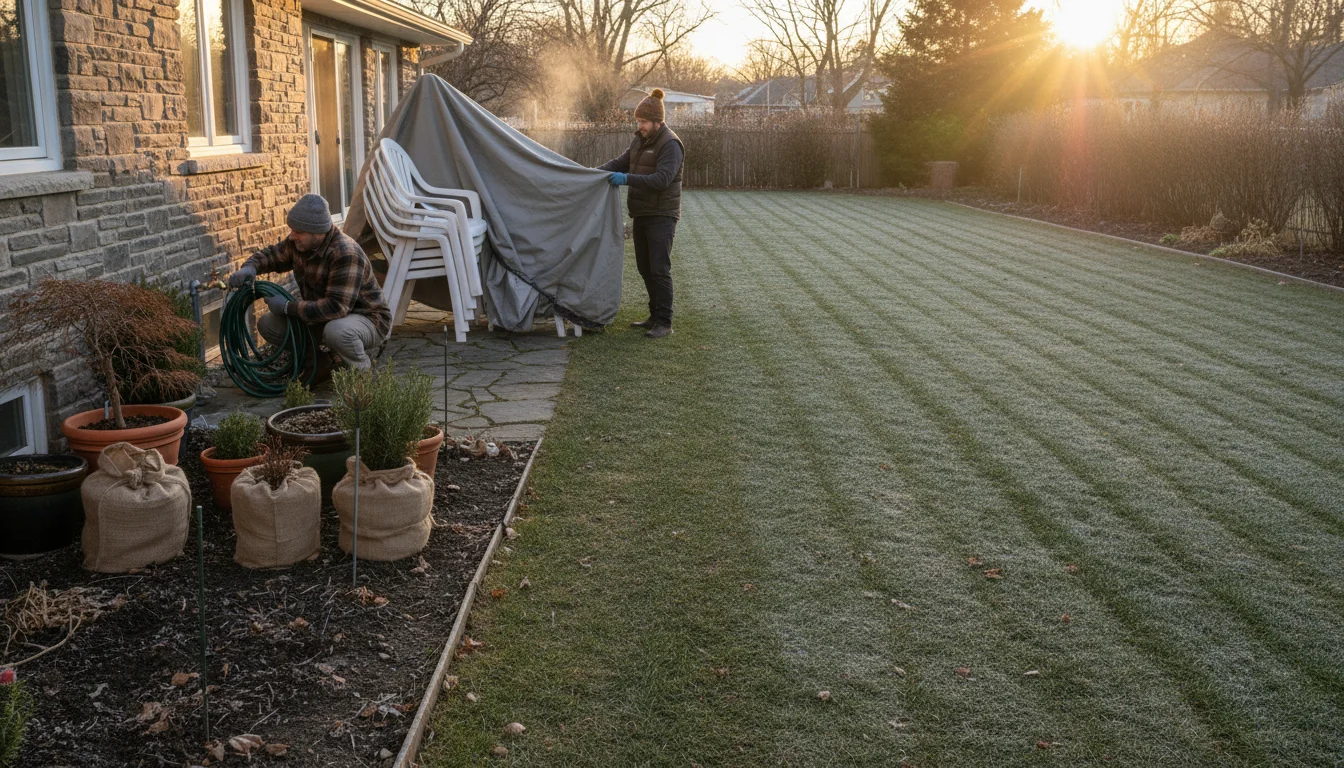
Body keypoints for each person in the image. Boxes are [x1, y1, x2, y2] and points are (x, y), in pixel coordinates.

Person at [228, 193, 391, 371]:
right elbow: (273, 255)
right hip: (323, 318)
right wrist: (250, 267)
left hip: (366, 319)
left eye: (298, 232)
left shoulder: (345, 253)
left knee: (337, 332)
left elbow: (336, 308)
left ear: (318, 233)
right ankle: (319, 363)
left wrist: (287, 307)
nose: (292, 236)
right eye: (292, 229)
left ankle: (361, 376)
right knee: (268, 324)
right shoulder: (301, 244)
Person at [597, 88, 684, 339]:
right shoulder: (639, 140)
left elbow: (661, 179)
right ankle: (653, 316)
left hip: (662, 214)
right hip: (642, 213)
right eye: (638, 121)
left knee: (659, 268)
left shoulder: (671, 145)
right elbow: (619, 162)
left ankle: (665, 322)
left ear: (658, 122)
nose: (640, 126)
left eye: (643, 122)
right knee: (644, 267)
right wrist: (593, 173)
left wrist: (626, 179)